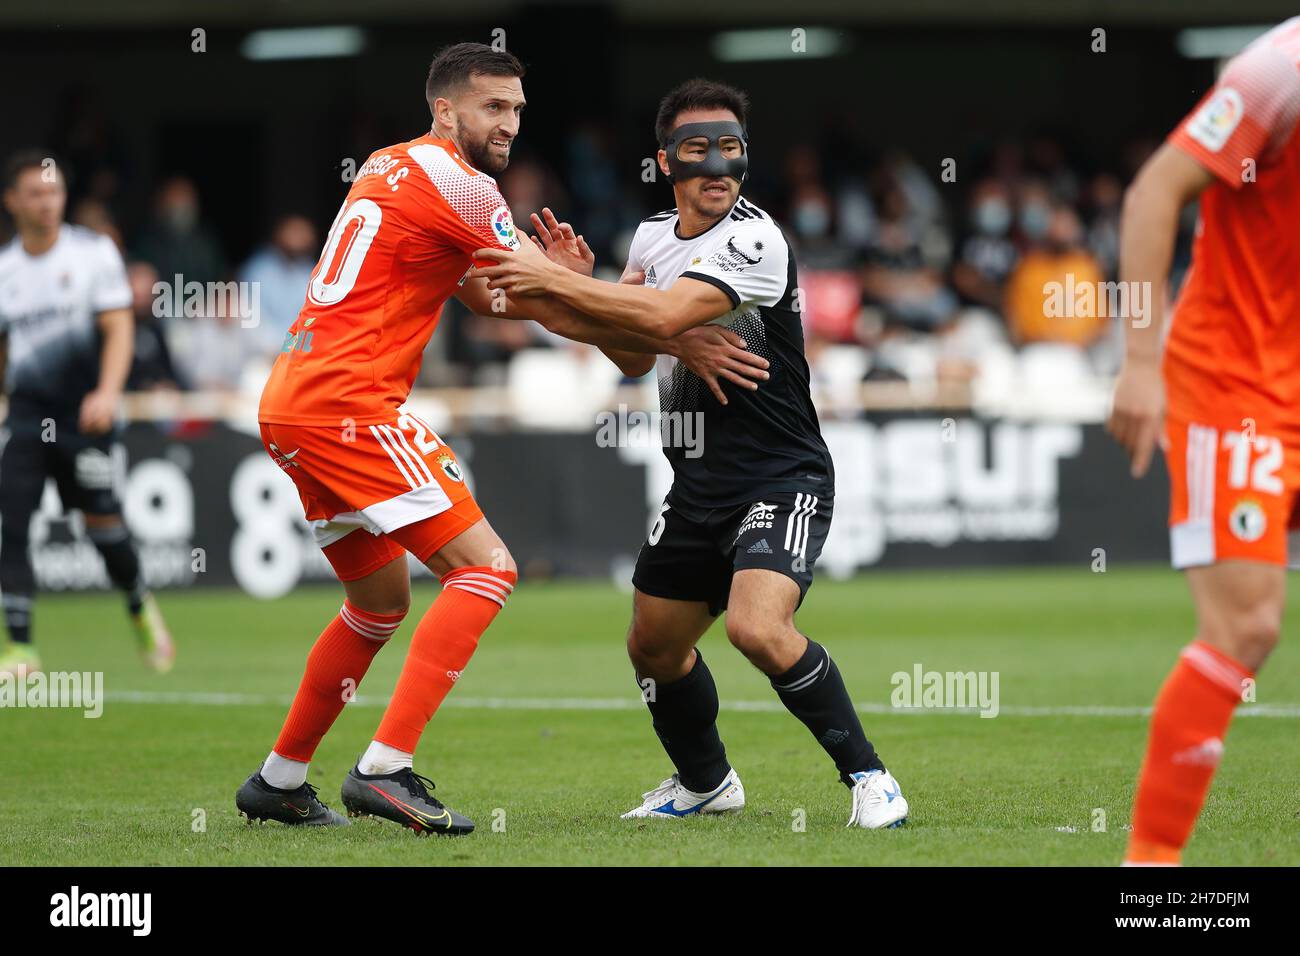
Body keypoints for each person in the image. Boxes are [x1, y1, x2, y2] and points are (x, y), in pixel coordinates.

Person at [237, 45, 768, 834]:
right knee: (487, 570)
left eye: (518, 109)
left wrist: (557, 281)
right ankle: (386, 769)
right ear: (446, 110)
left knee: (377, 605)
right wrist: (661, 328)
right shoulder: (461, 183)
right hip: (350, 405)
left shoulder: (389, 166)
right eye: (493, 107)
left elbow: (489, 294)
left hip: (294, 402)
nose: (510, 124)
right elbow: (540, 287)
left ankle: (278, 780)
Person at [473, 78, 910, 828]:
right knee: (653, 647)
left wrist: (560, 284)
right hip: (697, 485)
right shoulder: (650, 239)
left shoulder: (755, 238)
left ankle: (871, 778)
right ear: (665, 162)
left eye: (732, 151)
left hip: (780, 475)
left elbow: (666, 312)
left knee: (757, 629)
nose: (718, 168)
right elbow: (633, 356)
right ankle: (706, 782)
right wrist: (581, 291)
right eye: (698, 151)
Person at [1107, 17, 1300, 866]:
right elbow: (1155, 190)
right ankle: (1150, 877)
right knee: (1247, 627)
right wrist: (1140, 361)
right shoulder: (1280, 69)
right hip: (1239, 379)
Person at [0, 150, 174, 677]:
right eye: (35, 193)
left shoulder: (93, 253)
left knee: (102, 524)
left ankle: (140, 604)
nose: (46, 203)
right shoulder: (5, 268)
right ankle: (21, 648)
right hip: (28, 416)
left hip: (86, 415)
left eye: (53, 193)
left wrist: (107, 391)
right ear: (12, 201)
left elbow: (119, 326)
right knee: (13, 520)